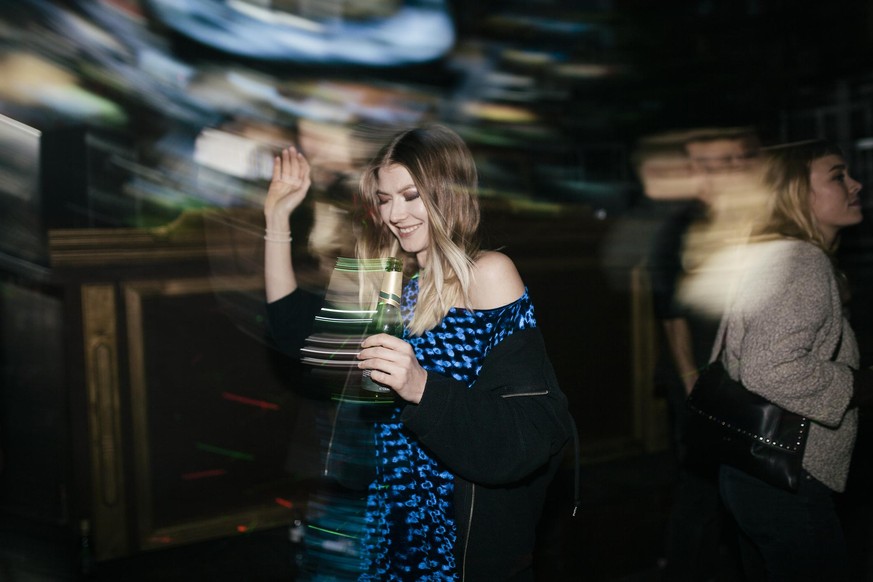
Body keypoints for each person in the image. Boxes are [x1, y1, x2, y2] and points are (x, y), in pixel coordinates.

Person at [263, 124, 575, 581]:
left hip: (457, 534)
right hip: (386, 527)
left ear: (449, 193)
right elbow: (294, 332)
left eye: (411, 196)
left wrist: (419, 385)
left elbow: (528, 433)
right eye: (385, 199)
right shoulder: (387, 280)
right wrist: (276, 219)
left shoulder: (486, 274)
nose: (396, 213)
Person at [709, 139, 866, 581]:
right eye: (838, 176)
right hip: (789, 478)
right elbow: (767, 366)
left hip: (752, 471)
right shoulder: (801, 259)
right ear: (797, 191)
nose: (856, 184)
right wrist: (853, 385)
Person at [647, 127, 760, 581]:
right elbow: (670, 312)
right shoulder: (678, 227)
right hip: (696, 376)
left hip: (741, 374)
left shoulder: (750, 216)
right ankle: (680, 569)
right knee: (701, 485)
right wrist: (692, 382)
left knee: (742, 487)